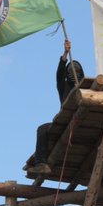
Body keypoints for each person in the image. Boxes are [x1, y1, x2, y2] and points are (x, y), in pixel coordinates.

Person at [24, 39, 84, 176]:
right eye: (70, 70)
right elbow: (59, 74)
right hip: (65, 123)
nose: (73, 72)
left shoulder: (86, 88)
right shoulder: (64, 87)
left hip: (81, 120)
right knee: (43, 129)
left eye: (75, 70)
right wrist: (65, 54)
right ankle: (41, 164)